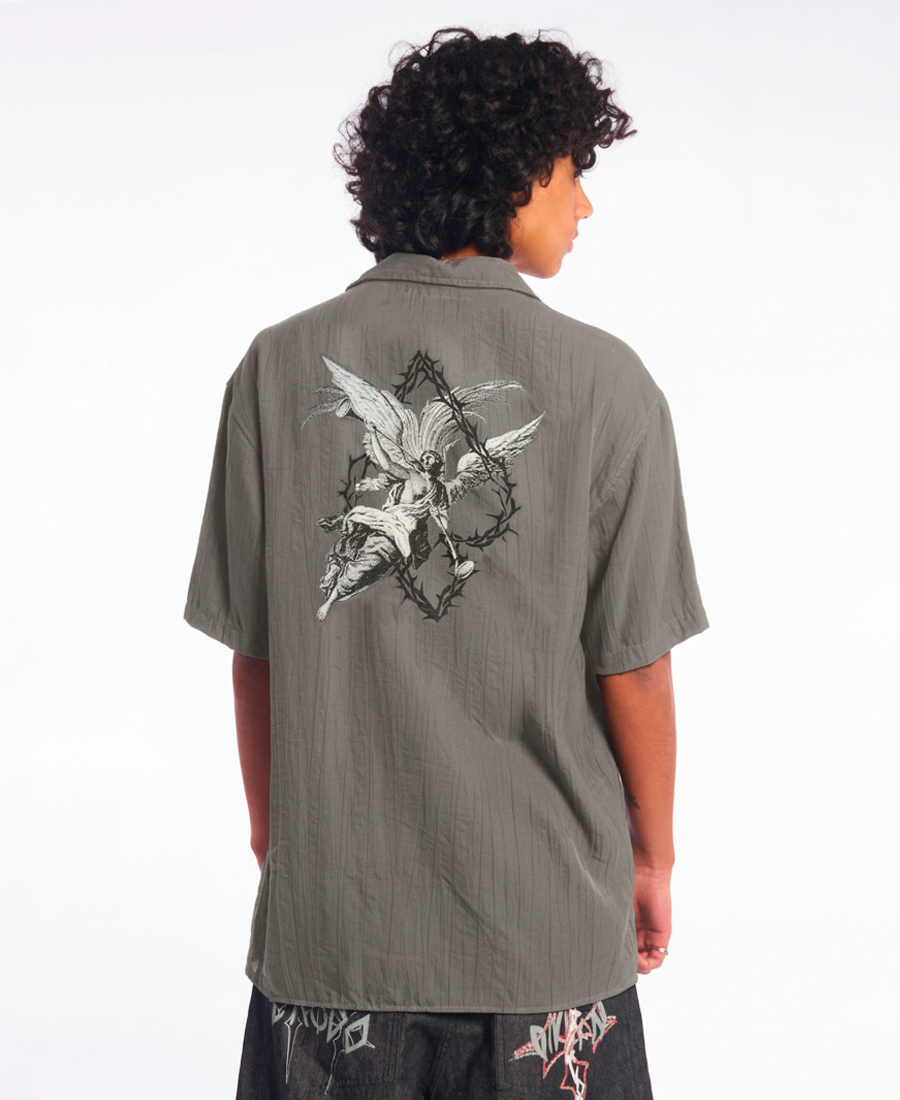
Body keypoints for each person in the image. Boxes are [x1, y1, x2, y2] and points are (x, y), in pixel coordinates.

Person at [185, 27, 708, 1100]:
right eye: (571, 171)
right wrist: (651, 858)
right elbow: (635, 668)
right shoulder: (609, 385)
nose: (585, 204)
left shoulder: (275, 369)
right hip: (548, 946)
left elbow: (256, 661)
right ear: (512, 173)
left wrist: (286, 852)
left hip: (336, 948)